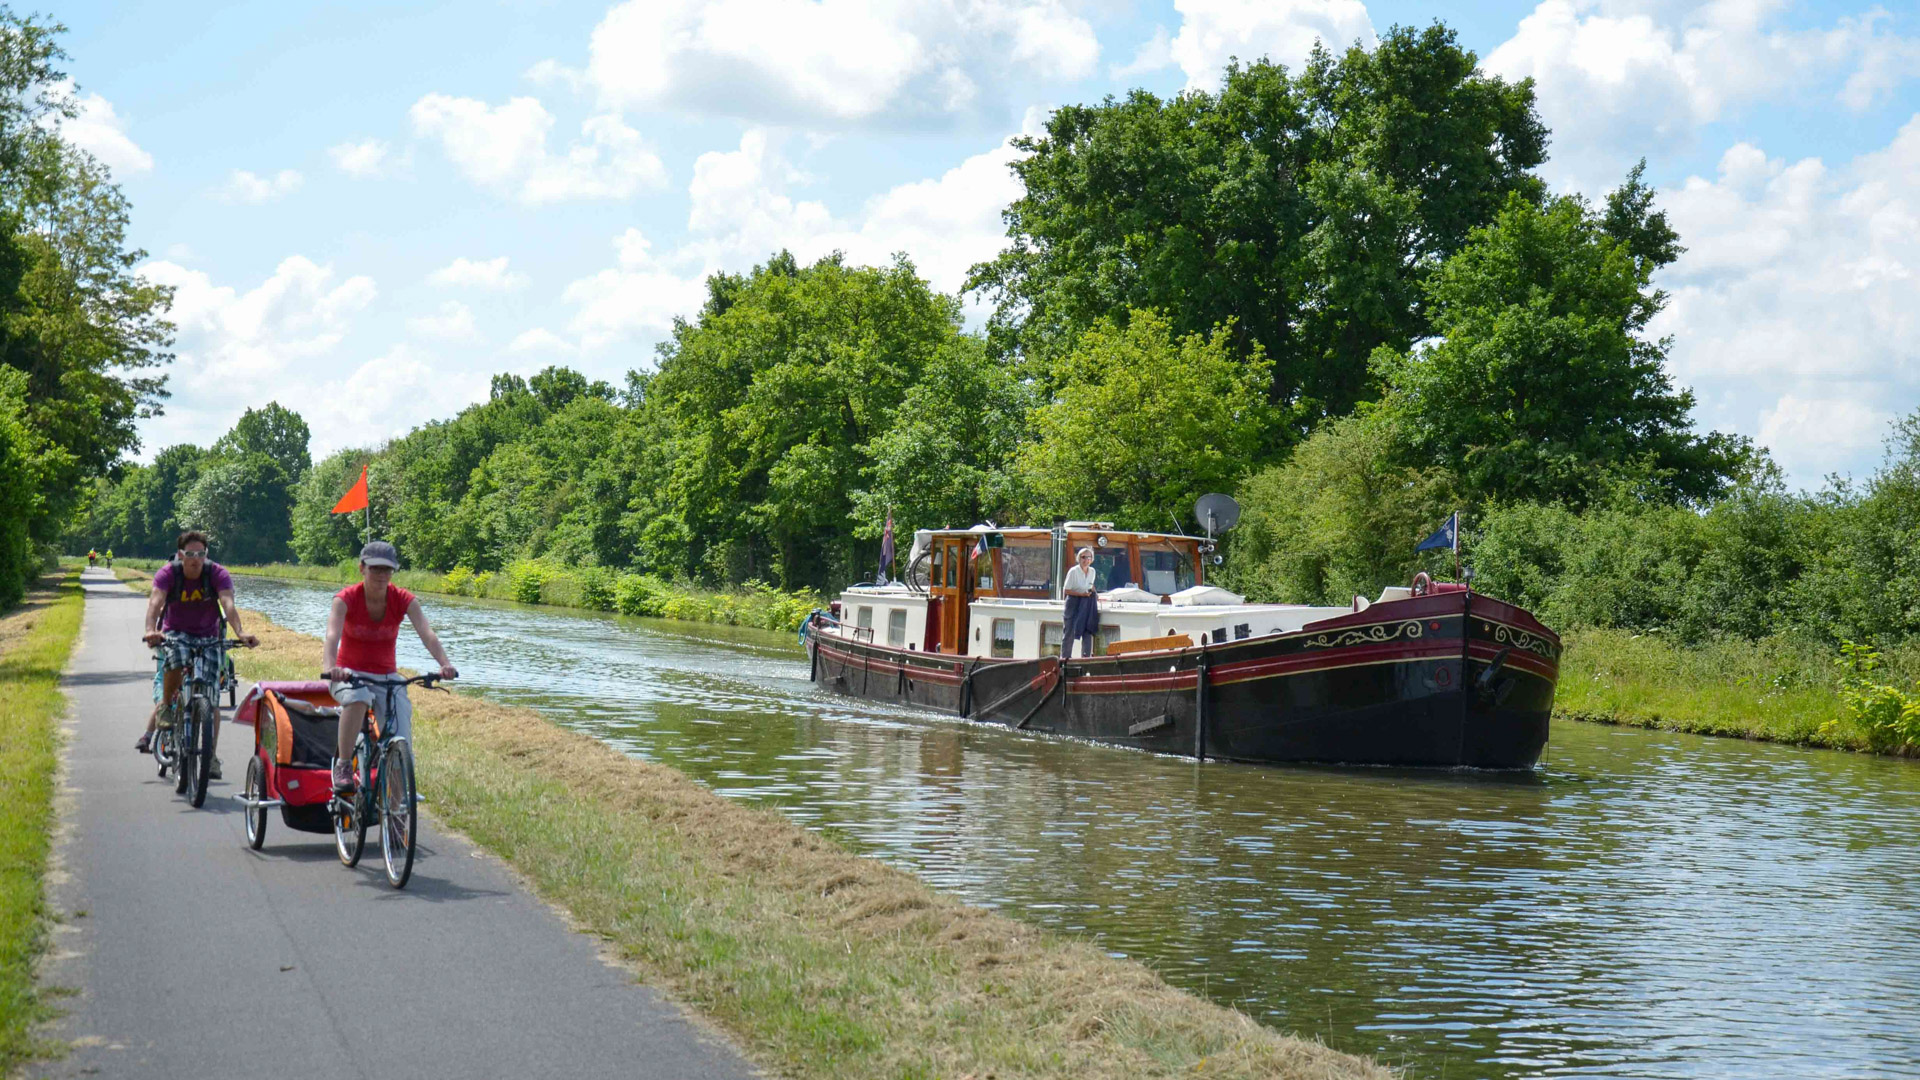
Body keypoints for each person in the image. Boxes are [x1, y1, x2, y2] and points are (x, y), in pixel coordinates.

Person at [321, 540, 458, 793]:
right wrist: (331, 668)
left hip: (386, 676)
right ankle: (343, 765)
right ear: (362, 568)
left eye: (387, 570)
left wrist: (445, 664)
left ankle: (397, 804)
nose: (382, 575)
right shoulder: (345, 599)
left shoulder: (404, 599)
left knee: (400, 727)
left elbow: (428, 634)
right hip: (348, 673)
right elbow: (332, 637)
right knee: (357, 698)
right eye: (375, 569)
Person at [138, 532, 259, 774]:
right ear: (181, 555)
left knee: (211, 698)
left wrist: (241, 632)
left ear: (206, 555)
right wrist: (151, 630)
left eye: (201, 554)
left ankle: (210, 756)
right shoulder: (168, 573)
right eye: (191, 554)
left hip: (208, 635)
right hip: (176, 631)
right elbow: (155, 603)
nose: (196, 559)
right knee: (175, 658)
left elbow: (228, 604)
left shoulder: (216, 573)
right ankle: (166, 705)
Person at [1062, 546, 1100, 660]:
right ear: (1079, 558)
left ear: (1091, 559)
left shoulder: (1092, 571)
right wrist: (1081, 594)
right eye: (1083, 557)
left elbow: (1089, 585)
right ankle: (1065, 659)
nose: (1086, 559)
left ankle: (1086, 659)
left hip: (1086, 601)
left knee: (1087, 629)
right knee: (1069, 631)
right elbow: (1066, 590)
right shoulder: (1073, 571)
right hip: (1073, 602)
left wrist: (1096, 594)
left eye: (1089, 557)